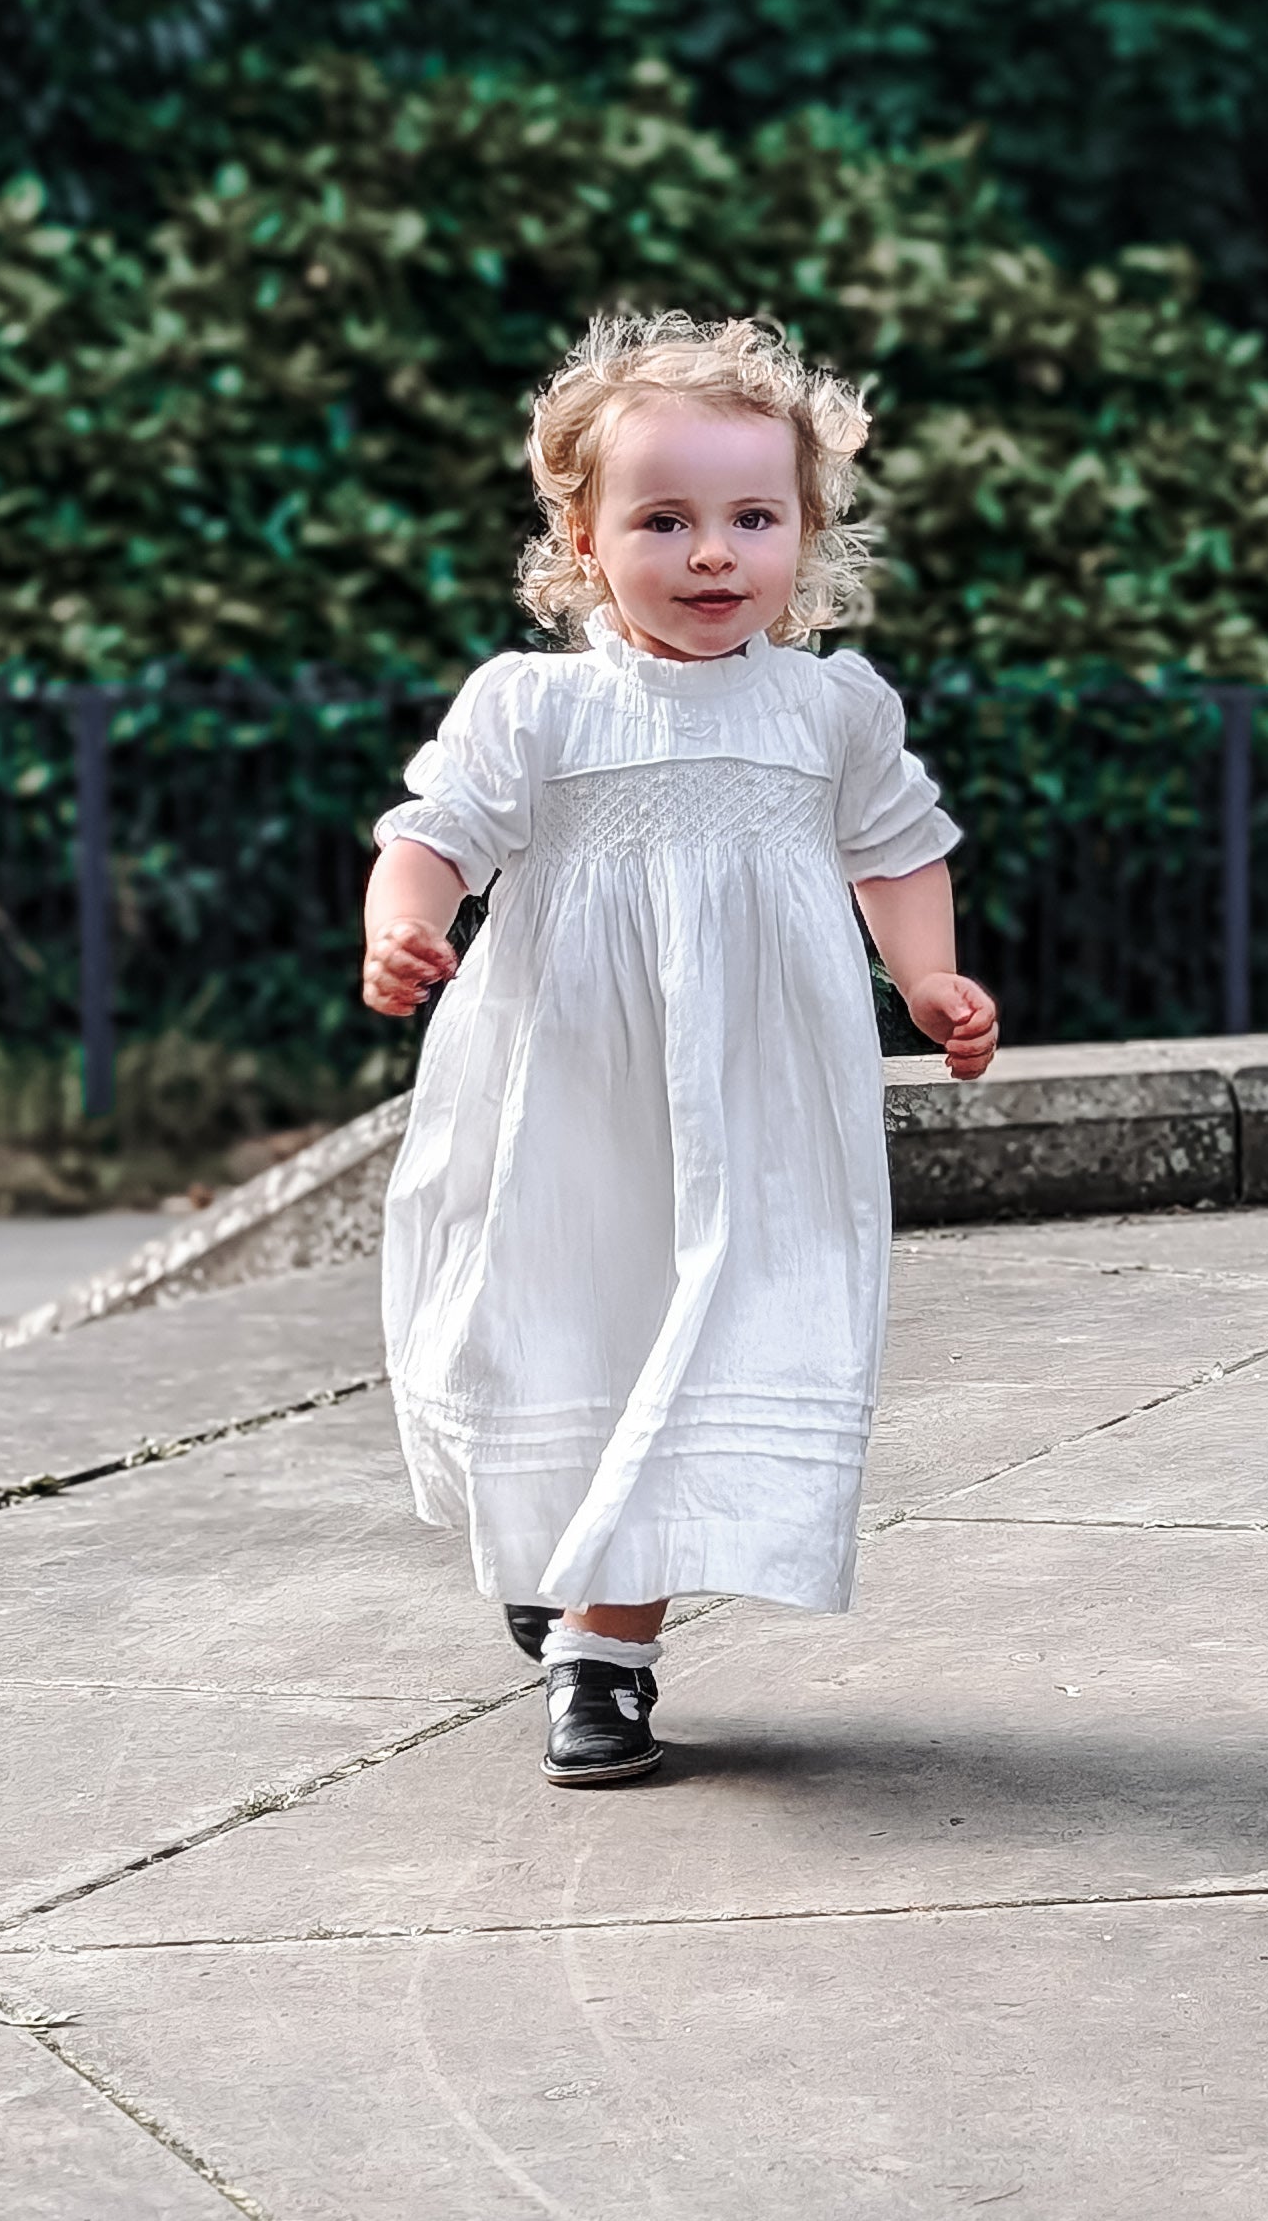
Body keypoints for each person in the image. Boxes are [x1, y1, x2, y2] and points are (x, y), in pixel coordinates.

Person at [358, 311, 997, 1788]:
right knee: (568, 1315)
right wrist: (405, 923)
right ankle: (567, 1543)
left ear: (803, 533)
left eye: (751, 517)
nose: (713, 553)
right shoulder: (538, 706)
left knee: (721, 1324)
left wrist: (930, 975)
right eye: (665, 519)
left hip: (767, 1095)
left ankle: (604, 1649)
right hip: (568, 1088)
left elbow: (895, 849)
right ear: (582, 541)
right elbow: (435, 830)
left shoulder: (833, 707)